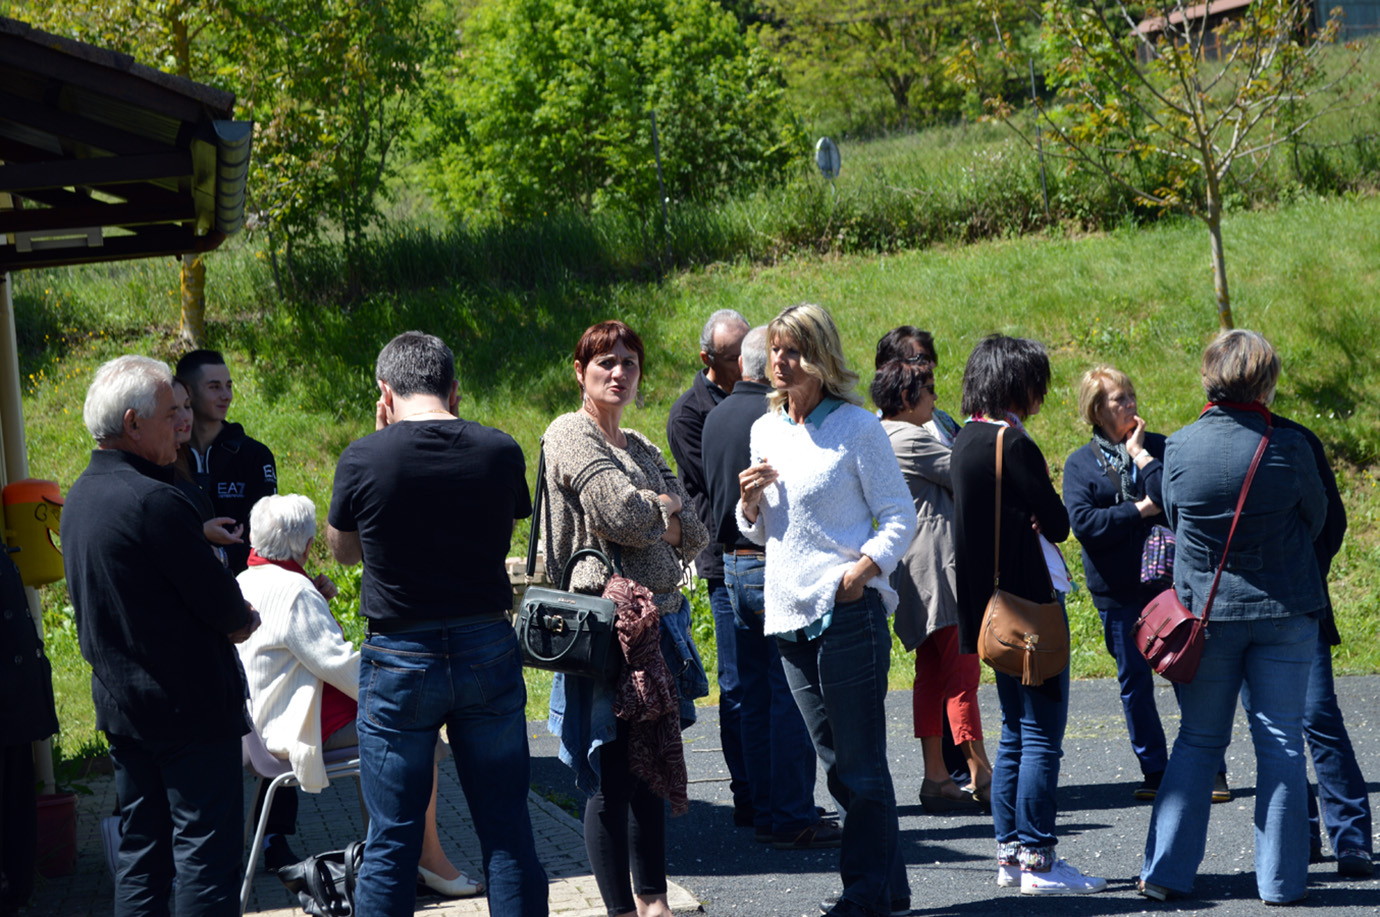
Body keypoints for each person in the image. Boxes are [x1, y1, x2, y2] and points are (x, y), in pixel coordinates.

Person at [326, 331, 546, 917]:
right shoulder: (499, 450)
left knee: (392, 840)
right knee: (506, 827)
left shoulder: (363, 457)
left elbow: (344, 552)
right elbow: (500, 526)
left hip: (399, 652)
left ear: (385, 392)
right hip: (485, 643)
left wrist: (381, 444)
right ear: (454, 389)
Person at [61, 355, 259, 917]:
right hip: (189, 712)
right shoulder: (155, 501)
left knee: (143, 854)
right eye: (171, 412)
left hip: (125, 710)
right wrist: (245, 617)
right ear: (132, 423)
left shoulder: (80, 497)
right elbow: (227, 612)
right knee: (205, 857)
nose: (182, 423)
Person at [737, 303, 916, 917]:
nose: (779, 361)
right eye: (775, 350)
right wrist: (749, 505)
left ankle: (864, 894)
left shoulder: (858, 427)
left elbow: (899, 515)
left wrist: (861, 573)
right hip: (788, 614)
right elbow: (762, 532)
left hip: (847, 613)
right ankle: (890, 888)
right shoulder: (765, 430)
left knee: (860, 766)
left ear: (820, 357)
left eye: (792, 351)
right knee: (839, 764)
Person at [1139, 330, 1328, 905]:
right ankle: (1282, 882)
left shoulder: (1180, 448)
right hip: (1284, 609)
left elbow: (1175, 519)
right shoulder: (1289, 445)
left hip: (1206, 613)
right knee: (1281, 745)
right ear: (1265, 383)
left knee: (1198, 741)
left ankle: (1165, 872)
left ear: (1209, 377)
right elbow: (1317, 518)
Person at [236, 494, 482, 897]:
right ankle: (422, 859)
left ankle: (396, 858)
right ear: (308, 546)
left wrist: (318, 601)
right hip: (292, 729)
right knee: (416, 732)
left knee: (401, 727)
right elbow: (339, 665)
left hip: (259, 726)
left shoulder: (244, 580)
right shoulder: (294, 591)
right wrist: (401, 683)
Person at [544, 320, 710, 917]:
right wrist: (663, 509)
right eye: (605, 363)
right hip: (604, 633)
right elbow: (621, 514)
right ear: (580, 372)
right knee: (611, 775)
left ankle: (655, 903)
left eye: (629, 363)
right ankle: (620, 910)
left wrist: (663, 513)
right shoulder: (569, 433)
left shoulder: (638, 443)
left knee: (649, 773)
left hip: (658, 628)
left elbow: (696, 531)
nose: (618, 373)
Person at [951, 335, 1106, 896]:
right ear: (1017, 383)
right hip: (1030, 608)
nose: (1042, 393)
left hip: (992, 613)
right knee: (1041, 735)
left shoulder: (964, 439)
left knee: (1014, 732)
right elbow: (1058, 523)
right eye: (1037, 381)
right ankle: (1039, 859)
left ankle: (1012, 854)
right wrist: (1040, 516)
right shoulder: (1012, 443)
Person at [700, 326, 836, 848]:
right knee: (790, 693)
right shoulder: (773, 421)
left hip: (731, 564)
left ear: (742, 364)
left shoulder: (714, 417)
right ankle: (792, 813)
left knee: (752, 694)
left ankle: (760, 806)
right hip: (768, 560)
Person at [872, 359, 990, 814]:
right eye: (928, 390)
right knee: (962, 674)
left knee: (931, 675)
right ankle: (981, 775)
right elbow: (970, 473)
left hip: (911, 571)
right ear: (907, 397)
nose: (936, 399)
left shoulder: (879, 435)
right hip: (941, 569)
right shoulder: (910, 437)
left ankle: (936, 775)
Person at [1062, 366, 1176, 800]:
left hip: (1166, 584)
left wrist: (1141, 455)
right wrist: (1138, 511)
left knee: (1185, 674)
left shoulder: (1160, 447)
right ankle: (1156, 771)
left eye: (1131, 395)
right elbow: (1085, 524)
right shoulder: (1080, 464)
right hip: (1116, 591)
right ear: (1097, 410)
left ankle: (1210, 770)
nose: (1130, 404)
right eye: (1119, 399)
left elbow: (1170, 498)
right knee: (1135, 683)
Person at [1270, 413, 1374, 878]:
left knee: (1318, 717)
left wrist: (1304, 572)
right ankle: (1300, 835)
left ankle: (1351, 837)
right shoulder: (1210, 437)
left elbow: (1331, 520)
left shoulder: (1296, 439)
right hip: (1243, 613)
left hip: (1302, 603)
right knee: (1276, 731)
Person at [666, 309, 753, 827]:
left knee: (776, 682)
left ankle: (777, 791)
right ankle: (747, 794)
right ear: (707, 359)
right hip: (723, 558)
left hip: (767, 553)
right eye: (733, 356)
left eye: (749, 351)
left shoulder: (763, 396)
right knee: (738, 682)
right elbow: (722, 481)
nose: (745, 363)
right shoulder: (689, 414)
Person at [175, 349, 278, 573]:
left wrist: (222, 557)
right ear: (187, 392)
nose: (226, 395)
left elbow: (269, 536)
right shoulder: (167, 455)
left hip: (243, 584)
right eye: (214, 387)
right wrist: (200, 534)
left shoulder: (255, 455)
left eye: (229, 386)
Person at [875, 326, 960, 444]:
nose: (932, 365)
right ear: (894, 369)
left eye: (932, 357)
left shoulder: (941, 419)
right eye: (923, 359)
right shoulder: (882, 434)